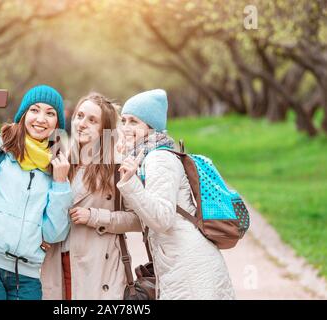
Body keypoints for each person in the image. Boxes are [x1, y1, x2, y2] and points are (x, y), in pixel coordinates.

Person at [0, 84, 72, 300]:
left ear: (57, 124)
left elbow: (54, 232)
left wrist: (61, 185)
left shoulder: (57, 165)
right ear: (24, 114)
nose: (41, 119)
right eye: (35, 110)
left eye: (50, 113)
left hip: (26, 275)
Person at [117, 89, 235, 300]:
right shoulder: (146, 157)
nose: (125, 127)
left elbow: (162, 218)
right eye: (123, 121)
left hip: (189, 267)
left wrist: (129, 182)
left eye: (133, 121)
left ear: (150, 126)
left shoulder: (159, 159)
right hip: (182, 265)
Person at [40, 92, 142, 300]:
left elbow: (138, 219)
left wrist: (94, 216)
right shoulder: (59, 161)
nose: (82, 124)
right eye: (79, 116)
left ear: (104, 130)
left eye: (92, 120)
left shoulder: (116, 166)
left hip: (98, 271)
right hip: (58, 265)